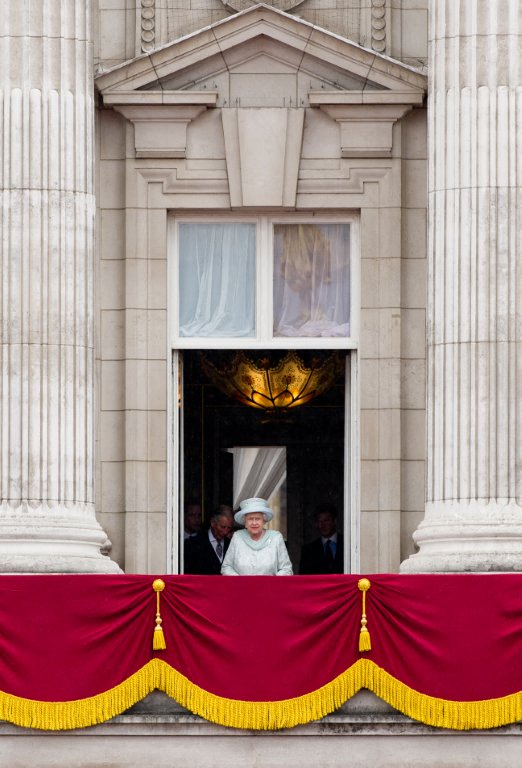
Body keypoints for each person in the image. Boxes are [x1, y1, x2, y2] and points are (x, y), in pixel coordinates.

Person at [221, 497, 293, 576]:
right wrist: (240, 581)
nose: (254, 523)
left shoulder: (276, 538)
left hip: (269, 587)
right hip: (242, 587)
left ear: (264, 521)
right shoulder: (237, 537)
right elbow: (226, 567)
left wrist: (271, 582)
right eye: (250, 519)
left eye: (258, 519)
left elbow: (286, 569)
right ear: (245, 521)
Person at [184, 507, 234, 574]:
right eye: (223, 527)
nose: (225, 532)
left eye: (229, 528)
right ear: (213, 523)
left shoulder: (231, 545)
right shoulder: (193, 544)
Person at [299, 503, 344, 574]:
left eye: (326, 520)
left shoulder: (347, 544)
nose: (323, 525)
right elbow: (304, 578)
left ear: (334, 521)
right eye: (319, 521)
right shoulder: (308, 550)